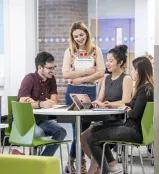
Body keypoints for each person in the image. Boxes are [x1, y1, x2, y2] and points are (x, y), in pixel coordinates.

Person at [87, 56, 154, 174]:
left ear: (139, 71)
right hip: (136, 129)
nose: (132, 72)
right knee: (95, 130)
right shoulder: (147, 88)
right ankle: (112, 167)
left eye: (134, 69)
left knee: (92, 139)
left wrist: (127, 109)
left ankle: (106, 171)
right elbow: (132, 104)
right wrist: (115, 105)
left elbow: (135, 114)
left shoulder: (144, 90)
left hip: (134, 131)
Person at [80, 45, 133, 173]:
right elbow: (100, 99)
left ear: (120, 63)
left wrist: (111, 104)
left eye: (111, 61)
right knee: (83, 137)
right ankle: (107, 165)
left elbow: (126, 101)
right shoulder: (106, 78)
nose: (107, 64)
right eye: (107, 60)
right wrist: (96, 103)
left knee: (92, 136)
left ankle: (99, 168)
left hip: (119, 121)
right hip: (105, 120)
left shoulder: (126, 79)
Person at [62, 21, 105, 174]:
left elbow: (101, 72)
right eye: (76, 36)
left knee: (84, 132)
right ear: (72, 38)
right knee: (76, 130)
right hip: (73, 91)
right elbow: (66, 74)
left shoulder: (95, 50)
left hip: (90, 91)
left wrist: (79, 78)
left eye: (81, 34)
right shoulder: (70, 51)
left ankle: (72, 163)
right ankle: (78, 163)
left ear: (86, 33)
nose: (79, 38)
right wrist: (86, 72)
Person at [17, 51, 67, 156]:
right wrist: (40, 104)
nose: (52, 71)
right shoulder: (29, 78)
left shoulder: (51, 79)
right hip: (23, 120)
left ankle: (42, 161)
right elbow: (22, 103)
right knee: (38, 133)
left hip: (40, 119)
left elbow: (54, 101)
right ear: (40, 67)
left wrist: (34, 102)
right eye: (49, 68)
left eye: (54, 67)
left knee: (61, 132)